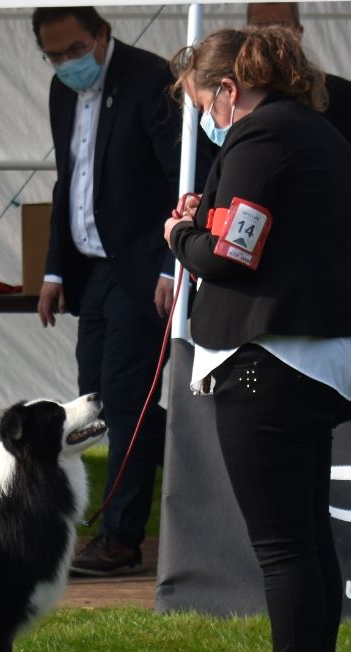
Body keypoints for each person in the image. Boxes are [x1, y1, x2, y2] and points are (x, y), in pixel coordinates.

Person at [163, 26, 351, 652]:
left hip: (270, 358)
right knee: (308, 541)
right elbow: (258, 232)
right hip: (316, 356)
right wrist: (212, 227)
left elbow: (232, 253)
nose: (207, 118)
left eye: (205, 103)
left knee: (286, 547)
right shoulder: (317, 131)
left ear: (229, 90)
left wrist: (180, 239)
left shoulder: (259, 140)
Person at [31, 7, 212, 575]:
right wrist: (54, 271)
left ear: (104, 36)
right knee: (99, 402)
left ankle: (120, 538)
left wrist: (169, 261)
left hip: (143, 269)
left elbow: (187, 177)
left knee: (127, 403)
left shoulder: (152, 82)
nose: (67, 63)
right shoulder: (62, 93)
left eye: (75, 49)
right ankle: (203, 465)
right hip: (92, 269)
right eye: (54, 56)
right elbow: (69, 181)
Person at [247, 2, 351, 188]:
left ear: (299, 31)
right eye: (260, 27)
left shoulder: (344, 96)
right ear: (245, 33)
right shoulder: (230, 94)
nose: (269, 36)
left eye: (281, 26)